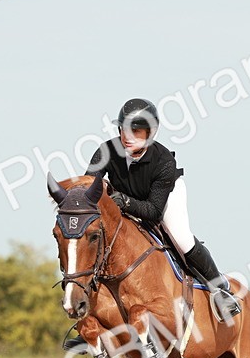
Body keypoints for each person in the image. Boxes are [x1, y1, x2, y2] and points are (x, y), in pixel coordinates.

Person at [85, 97, 241, 320]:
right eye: (124, 130)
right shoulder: (106, 151)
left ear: (151, 133)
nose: (128, 137)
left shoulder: (164, 161)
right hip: (125, 201)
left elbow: (153, 212)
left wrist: (123, 201)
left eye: (137, 131)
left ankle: (220, 288)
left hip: (163, 199)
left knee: (181, 238)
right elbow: (89, 188)